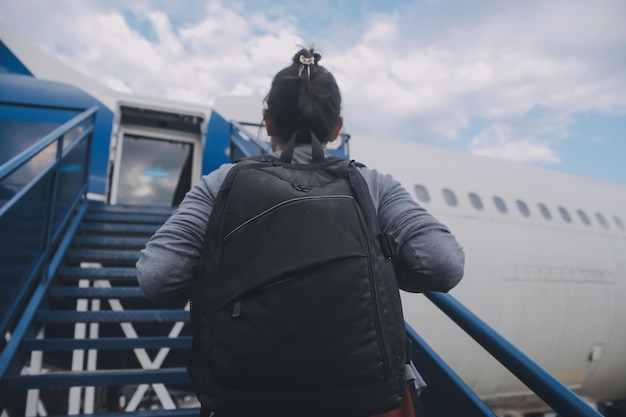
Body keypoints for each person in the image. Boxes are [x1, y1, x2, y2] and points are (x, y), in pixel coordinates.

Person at [136, 47, 465, 416]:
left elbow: (156, 276)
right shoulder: (372, 185)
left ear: (267, 121)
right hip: (364, 402)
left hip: (246, 399)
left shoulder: (222, 183)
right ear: (337, 128)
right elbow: (443, 264)